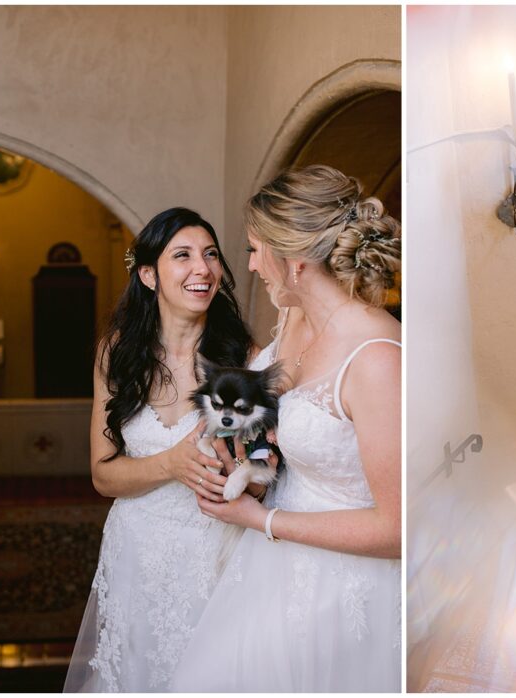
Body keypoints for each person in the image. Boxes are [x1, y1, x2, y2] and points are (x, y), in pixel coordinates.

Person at [170, 165, 402, 692]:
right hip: (270, 572)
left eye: (255, 250)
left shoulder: (377, 358)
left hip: (341, 589)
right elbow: (276, 420)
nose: (249, 265)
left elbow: (398, 529)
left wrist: (263, 520)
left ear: (293, 261)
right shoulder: (294, 319)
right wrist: (239, 456)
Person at [63, 208, 255, 692]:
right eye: (184, 256)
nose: (203, 269)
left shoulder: (242, 358)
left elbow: (262, 468)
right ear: (148, 275)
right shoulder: (118, 353)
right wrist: (171, 463)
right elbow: (103, 476)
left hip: (215, 550)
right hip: (137, 552)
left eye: (211, 255)